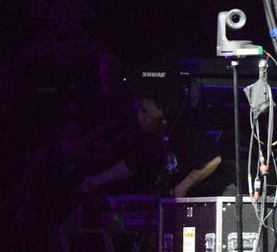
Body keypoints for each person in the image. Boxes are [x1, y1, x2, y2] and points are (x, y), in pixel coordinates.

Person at [80, 72, 236, 199]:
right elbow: (130, 165)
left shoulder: (183, 130)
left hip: (218, 194)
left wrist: (182, 187)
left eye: (145, 111)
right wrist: (96, 181)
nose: (139, 116)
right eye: (137, 110)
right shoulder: (148, 139)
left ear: (162, 110)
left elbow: (212, 160)